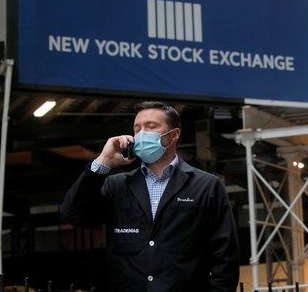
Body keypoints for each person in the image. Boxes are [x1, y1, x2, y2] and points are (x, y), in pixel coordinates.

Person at [60, 101, 239, 291]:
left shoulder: (206, 186)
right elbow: (72, 214)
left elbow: (225, 258)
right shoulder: (117, 186)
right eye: (137, 129)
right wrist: (104, 160)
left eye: (151, 126)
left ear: (174, 135)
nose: (142, 133)